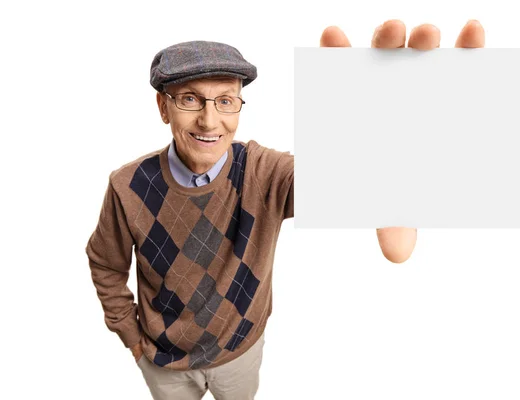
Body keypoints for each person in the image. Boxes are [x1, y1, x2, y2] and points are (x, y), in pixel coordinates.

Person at [86, 19, 482, 400]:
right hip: (164, 362)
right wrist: (133, 341)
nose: (210, 120)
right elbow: (105, 264)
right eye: (190, 99)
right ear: (163, 107)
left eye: (225, 100)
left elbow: (341, 178)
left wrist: (389, 131)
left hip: (241, 352)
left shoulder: (263, 173)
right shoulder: (127, 186)